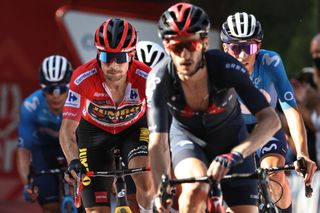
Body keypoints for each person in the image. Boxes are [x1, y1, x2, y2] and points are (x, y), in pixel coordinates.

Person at [147, 3, 281, 213]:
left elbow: (271, 119)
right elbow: (158, 144)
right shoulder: (159, 79)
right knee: (194, 191)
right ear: (166, 46)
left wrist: (236, 154)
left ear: (204, 43)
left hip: (232, 141)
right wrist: (160, 191)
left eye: (191, 45)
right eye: (176, 47)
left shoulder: (226, 67)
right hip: (187, 140)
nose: (184, 55)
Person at [220, 12, 318, 212]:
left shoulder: (270, 62)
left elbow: (290, 109)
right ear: (224, 48)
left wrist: (302, 153)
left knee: (274, 173)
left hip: (266, 127)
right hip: (235, 131)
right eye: (236, 47)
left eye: (250, 47)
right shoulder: (217, 67)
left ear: (260, 46)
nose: (243, 55)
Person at [59, 18, 154, 213]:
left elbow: (159, 124)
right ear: (97, 53)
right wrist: (73, 160)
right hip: (94, 133)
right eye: (106, 57)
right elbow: (67, 130)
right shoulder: (82, 77)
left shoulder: (148, 77)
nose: (113, 65)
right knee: (96, 210)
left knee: (145, 179)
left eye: (120, 58)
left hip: (133, 130)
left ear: (132, 55)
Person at [17, 55, 73, 213]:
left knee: (88, 202)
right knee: (50, 207)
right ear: (42, 89)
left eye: (61, 89)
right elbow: (23, 151)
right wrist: (28, 185)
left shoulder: (80, 100)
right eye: (50, 90)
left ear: (69, 87)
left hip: (73, 145)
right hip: (44, 149)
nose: (56, 95)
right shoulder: (30, 106)